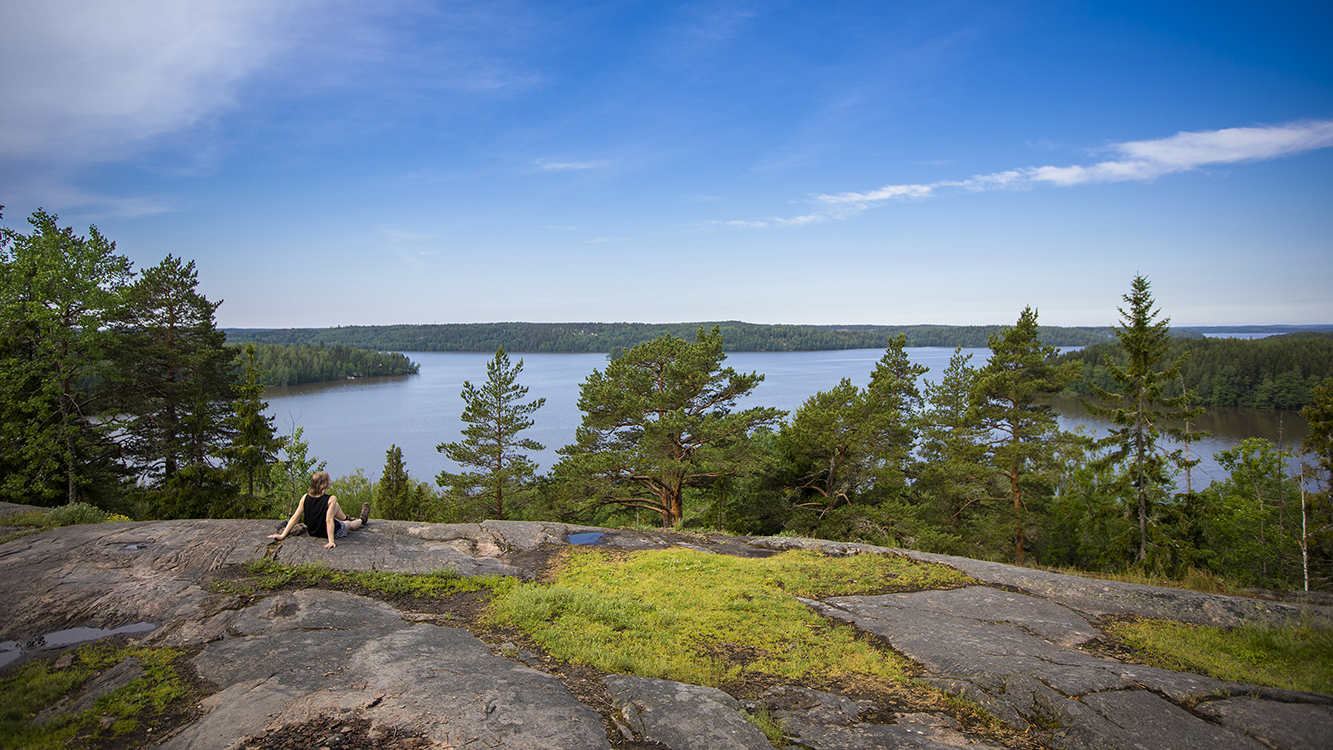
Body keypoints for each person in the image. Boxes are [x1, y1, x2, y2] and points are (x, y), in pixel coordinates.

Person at [269, 471, 370, 549]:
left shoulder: (305, 497)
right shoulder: (331, 498)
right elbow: (329, 521)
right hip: (327, 532)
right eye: (329, 480)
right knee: (349, 525)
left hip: (312, 531)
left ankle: (346, 517)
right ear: (323, 484)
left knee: (335, 505)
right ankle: (362, 519)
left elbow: (295, 517)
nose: (331, 481)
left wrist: (283, 535)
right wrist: (331, 541)